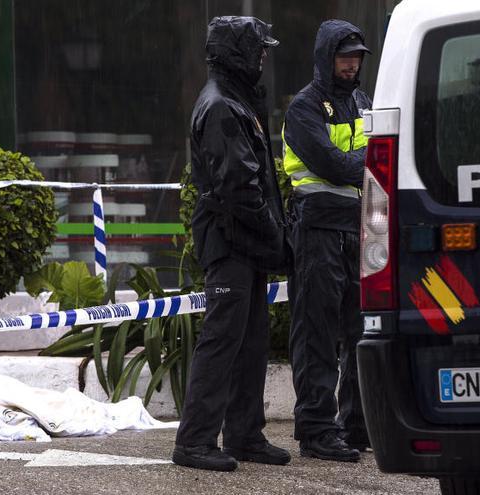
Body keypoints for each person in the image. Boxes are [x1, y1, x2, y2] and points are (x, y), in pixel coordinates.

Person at [172, 15, 291, 472]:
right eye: (259, 48)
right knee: (223, 340)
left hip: (245, 239)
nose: (264, 56)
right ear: (238, 52)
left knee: (251, 341)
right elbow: (239, 185)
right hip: (230, 240)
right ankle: (194, 441)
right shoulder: (221, 105)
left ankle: (244, 435)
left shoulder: (236, 100)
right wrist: (273, 235)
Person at [282, 19, 372, 462]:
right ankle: (317, 430)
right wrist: (369, 159)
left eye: (356, 57)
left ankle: (356, 426)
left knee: (360, 331)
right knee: (316, 334)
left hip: (358, 228)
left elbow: (357, 161)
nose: (351, 64)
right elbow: (334, 166)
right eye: (344, 56)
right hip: (317, 230)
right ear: (325, 57)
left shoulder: (361, 100)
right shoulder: (304, 107)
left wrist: (360, 160)